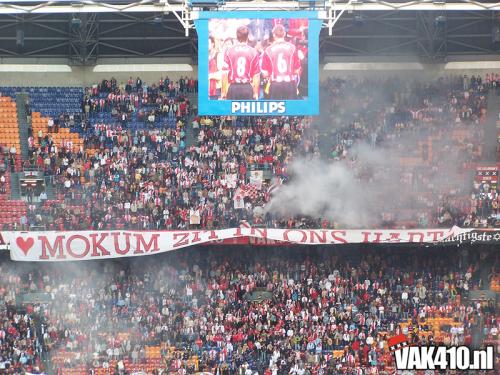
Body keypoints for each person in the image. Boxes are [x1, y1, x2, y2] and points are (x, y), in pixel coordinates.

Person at [261, 24, 301, 100]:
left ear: (273, 35)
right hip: (290, 84)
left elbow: (265, 74)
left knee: (276, 110)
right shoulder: (292, 48)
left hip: (275, 84)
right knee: (291, 110)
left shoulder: (268, 50)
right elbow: (297, 70)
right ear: (284, 34)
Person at [222, 25, 260, 100]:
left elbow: (224, 74)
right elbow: (256, 75)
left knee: (232, 111)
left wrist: (223, 92)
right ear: (247, 36)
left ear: (237, 36)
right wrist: (255, 93)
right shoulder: (253, 52)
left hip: (233, 88)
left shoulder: (229, 51)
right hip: (247, 88)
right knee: (246, 111)